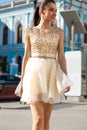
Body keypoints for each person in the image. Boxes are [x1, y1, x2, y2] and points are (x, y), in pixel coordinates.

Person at [15, 0, 72, 130]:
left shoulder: (59, 32)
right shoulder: (30, 31)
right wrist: (22, 81)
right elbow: (26, 57)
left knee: (46, 119)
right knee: (38, 118)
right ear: (42, 11)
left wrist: (65, 78)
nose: (54, 13)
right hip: (34, 74)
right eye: (51, 10)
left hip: (51, 74)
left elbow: (61, 56)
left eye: (56, 10)